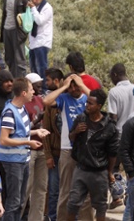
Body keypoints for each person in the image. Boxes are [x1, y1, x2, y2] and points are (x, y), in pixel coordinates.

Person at [0, 77, 49, 221]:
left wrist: (35, 132)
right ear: (24, 93)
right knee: (14, 201)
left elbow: (19, 132)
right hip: (12, 161)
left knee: (20, 201)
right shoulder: (10, 112)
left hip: (22, 159)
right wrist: (28, 142)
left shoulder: (22, 109)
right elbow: (4, 139)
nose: (34, 92)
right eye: (31, 89)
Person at [43, 74, 93, 221]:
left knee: (87, 192)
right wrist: (64, 87)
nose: (73, 89)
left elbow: (100, 101)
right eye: (70, 87)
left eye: (75, 85)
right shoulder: (63, 99)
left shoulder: (87, 100)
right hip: (67, 149)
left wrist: (82, 85)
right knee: (65, 190)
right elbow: (46, 101)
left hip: (86, 150)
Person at [67, 89, 119, 221]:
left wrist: (109, 172)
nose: (87, 106)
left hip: (99, 171)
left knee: (101, 206)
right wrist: (76, 132)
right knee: (73, 203)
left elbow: (112, 153)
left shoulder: (110, 126)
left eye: (90, 103)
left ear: (99, 106)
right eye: (87, 102)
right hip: (81, 169)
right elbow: (71, 137)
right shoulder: (81, 118)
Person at [22, 73, 47, 221]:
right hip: (29, 148)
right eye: (36, 85)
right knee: (26, 188)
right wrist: (37, 121)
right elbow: (21, 129)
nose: (39, 87)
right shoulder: (24, 103)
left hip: (42, 148)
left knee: (41, 188)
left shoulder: (40, 99)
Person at [42, 68, 64, 221]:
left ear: (56, 81)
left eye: (48, 80)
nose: (46, 83)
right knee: (54, 190)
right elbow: (46, 130)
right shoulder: (50, 104)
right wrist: (48, 155)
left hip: (71, 155)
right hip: (55, 154)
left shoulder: (73, 100)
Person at [0, 0, 29, 78]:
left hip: (17, 31)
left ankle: (22, 81)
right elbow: (5, 14)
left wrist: (24, 32)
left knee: (19, 58)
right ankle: (12, 80)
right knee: (9, 58)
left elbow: (29, 16)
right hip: (6, 29)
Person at [27, 0, 53, 86]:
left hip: (42, 42)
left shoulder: (47, 8)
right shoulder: (34, 8)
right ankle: (36, 90)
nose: (34, 1)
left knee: (42, 68)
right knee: (33, 69)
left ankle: (44, 89)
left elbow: (40, 21)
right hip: (33, 42)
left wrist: (33, 8)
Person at [108, 63, 134, 134]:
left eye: (111, 77)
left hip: (121, 132)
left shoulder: (113, 92)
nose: (112, 80)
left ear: (115, 75)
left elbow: (113, 117)